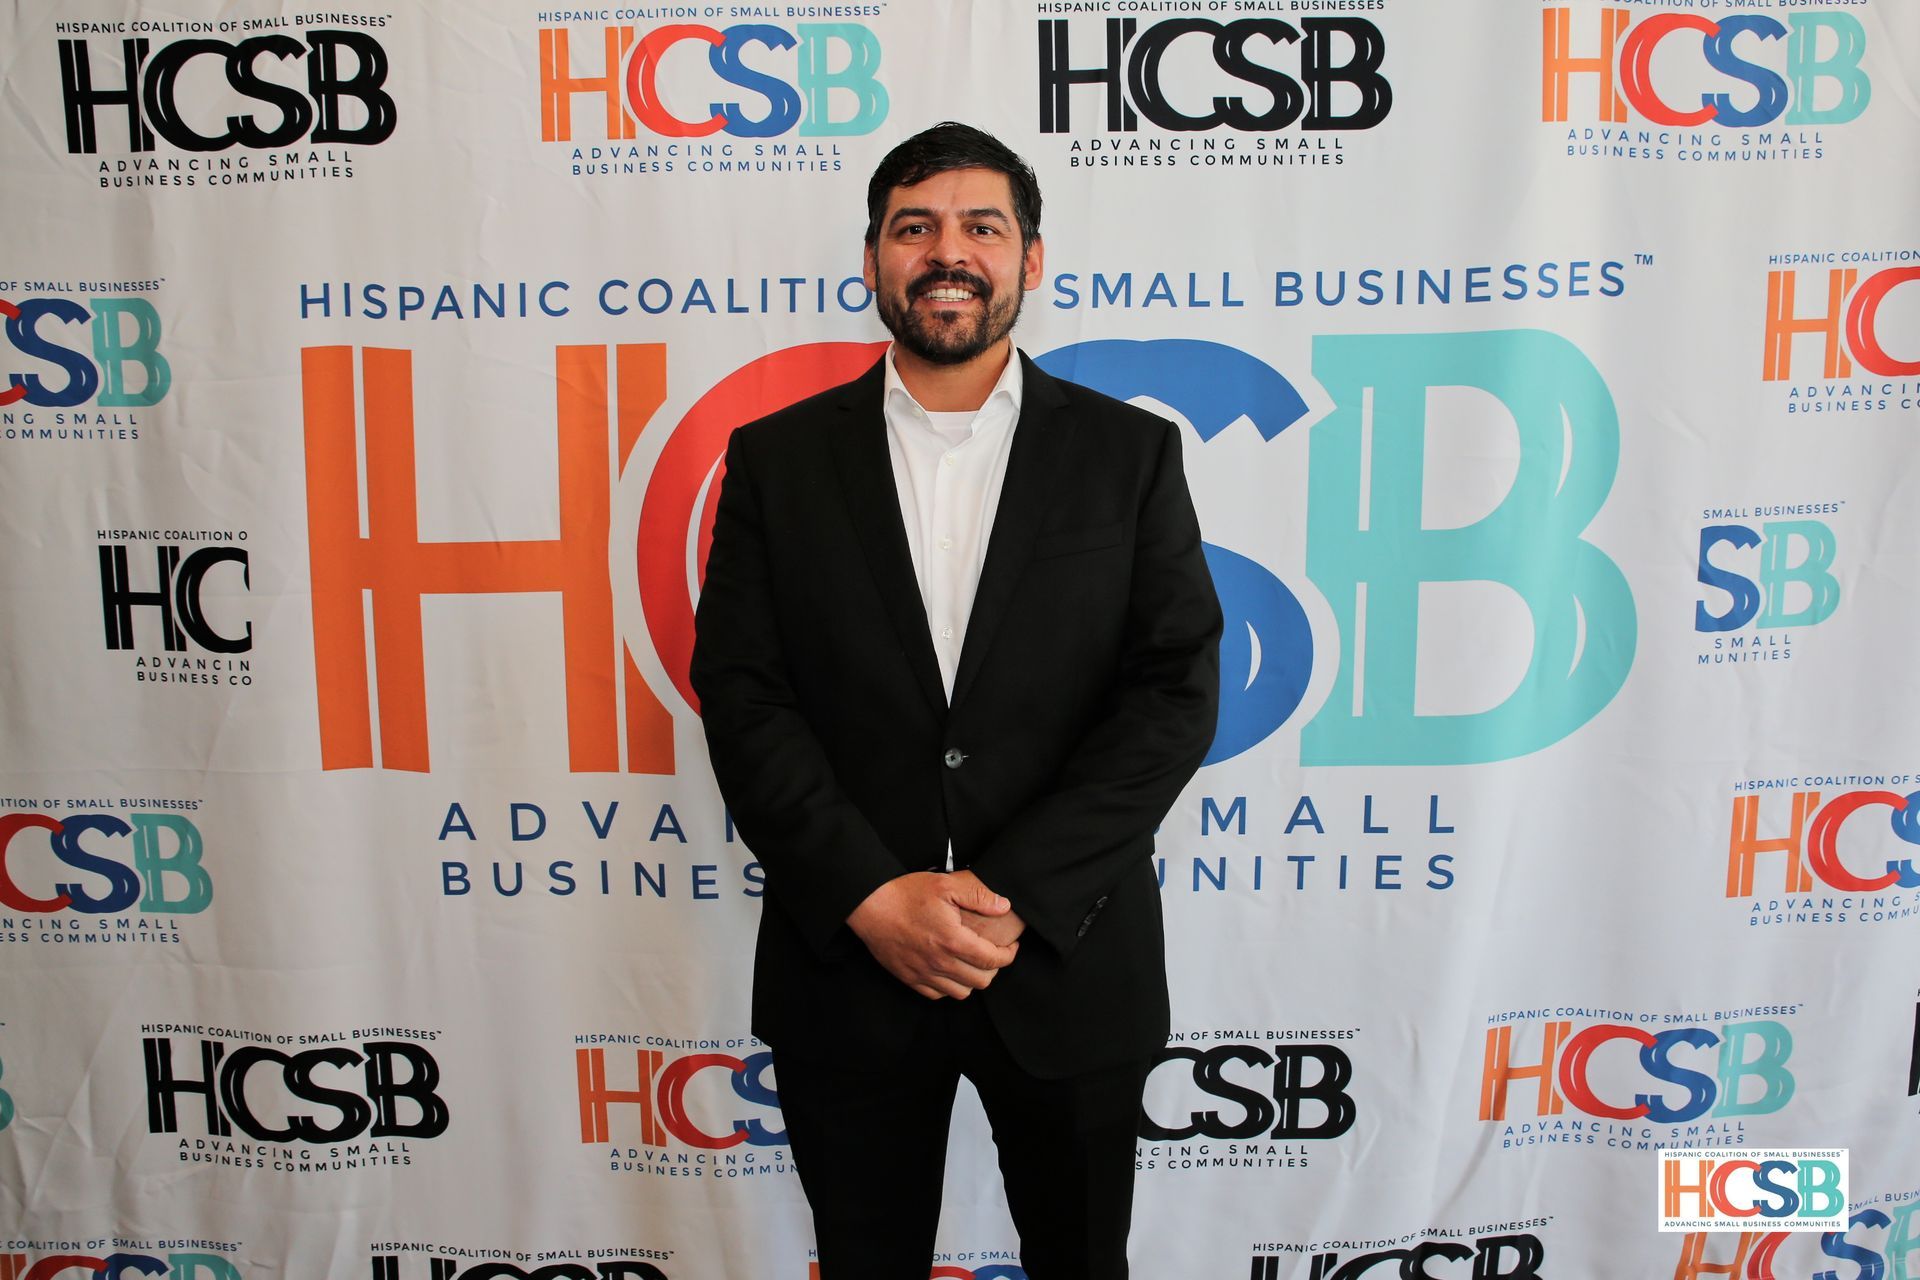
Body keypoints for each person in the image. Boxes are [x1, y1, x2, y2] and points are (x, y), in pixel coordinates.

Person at [689, 121, 1222, 1280]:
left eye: (983, 226)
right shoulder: (776, 459)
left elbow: (1173, 690)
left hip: (1067, 956)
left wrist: (1012, 892)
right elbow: (742, 691)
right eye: (914, 227)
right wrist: (871, 894)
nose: (948, 253)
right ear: (872, 259)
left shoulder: (1129, 454)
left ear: (1032, 257)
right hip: (850, 965)